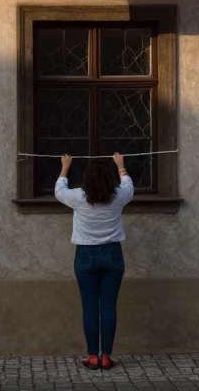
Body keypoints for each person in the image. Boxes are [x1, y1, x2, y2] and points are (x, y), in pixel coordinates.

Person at [54, 151, 134, 370]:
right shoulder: (119, 196)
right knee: (108, 307)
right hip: (112, 254)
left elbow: (59, 191)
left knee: (90, 308)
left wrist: (65, 167)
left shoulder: (78, 197)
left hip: (86, 256)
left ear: (87, 178)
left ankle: (92, 356)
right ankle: (106, 356)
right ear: (110, 179)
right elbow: (129, 185)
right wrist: (120, 165)